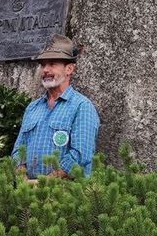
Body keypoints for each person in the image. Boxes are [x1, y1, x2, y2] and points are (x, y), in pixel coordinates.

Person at [12, 34, 100, 179]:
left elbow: (80, 155)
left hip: (65, 191)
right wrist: (23, 179)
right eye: (43, 65)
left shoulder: (82, 107)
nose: (45, 70)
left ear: (69, 69)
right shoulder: (32, 108)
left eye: (52, 64)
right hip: (28, 190)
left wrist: (45, 183)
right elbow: (18, 151)